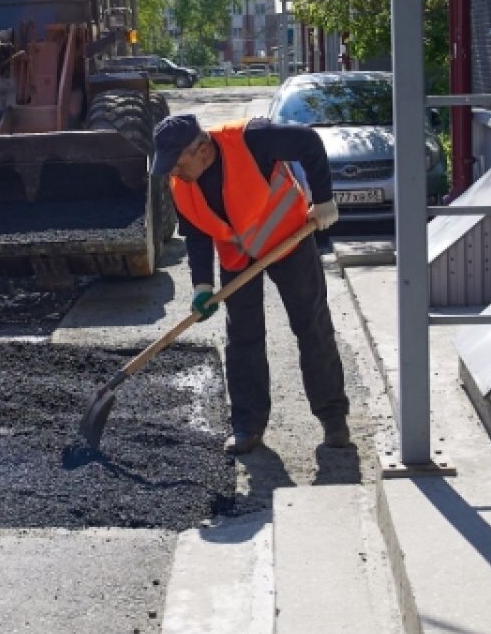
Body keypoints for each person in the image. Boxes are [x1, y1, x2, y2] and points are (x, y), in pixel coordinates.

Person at [150, 113, 350, 455]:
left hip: (289, 241)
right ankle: (247, 425)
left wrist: (324, 198)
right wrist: (201, 286)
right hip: (238, 257)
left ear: (202, 149)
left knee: (312, 327)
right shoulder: (180, 183)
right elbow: (197, 234)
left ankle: (333, 419)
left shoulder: (251, 139)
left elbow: (310, 143)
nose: (173, 171)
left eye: (177, 162)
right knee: (243, 338)